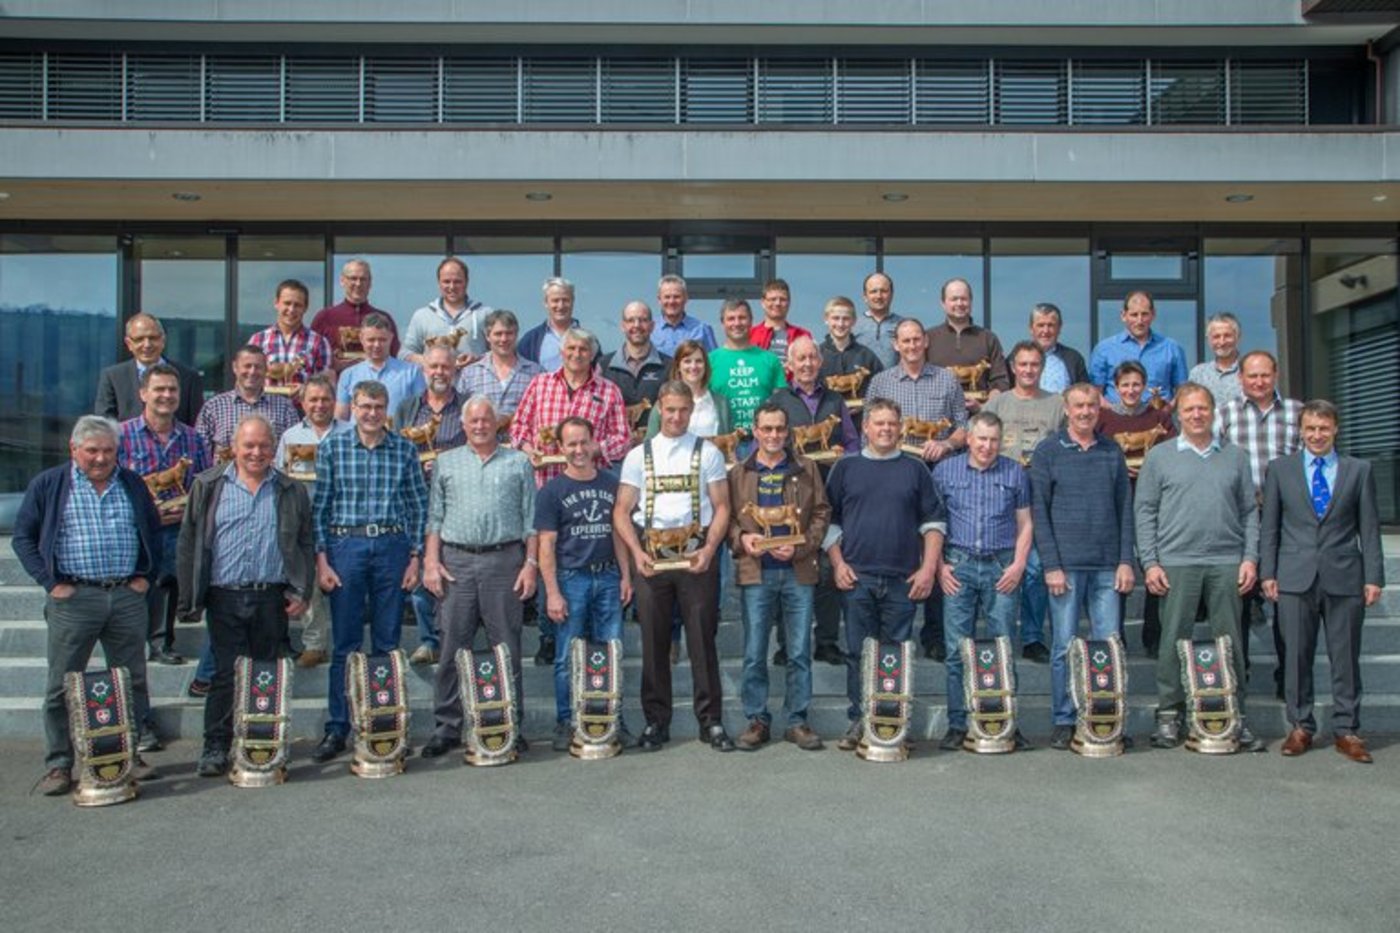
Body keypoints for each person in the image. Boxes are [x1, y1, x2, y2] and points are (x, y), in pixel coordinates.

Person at [13, 415, 163, 796]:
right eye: (92, 450)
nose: (100, 458)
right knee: (62, 684)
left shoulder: (130, 483)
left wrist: (145, 576)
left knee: (132, 680)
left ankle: (129, 756)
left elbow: (153, 530)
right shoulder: (49, 485)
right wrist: (50, 583)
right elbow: (23, 538)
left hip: (125, 596)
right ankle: (60, 765)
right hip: (75, 598)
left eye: (108, 451)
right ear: (74, 449)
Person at [176, 415, 313, 778]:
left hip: (271, 597)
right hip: (224, 596)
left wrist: (301, 590)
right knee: (224, 675)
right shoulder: (208, 486)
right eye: (248, 445)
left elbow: (304, 542)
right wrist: (191, 595)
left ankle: (260, 742)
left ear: (274, 449)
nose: (256, 452)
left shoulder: (290, 490)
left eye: (264, 446)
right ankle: (216, 746)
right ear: (234, 447)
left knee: (264, 674)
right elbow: (189, 543)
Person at [1135, 382, 1264, 752]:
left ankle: (1233, 714)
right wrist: (1150, 562)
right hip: (1177, 562)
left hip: (1226, 562)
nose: (1196, 415)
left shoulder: (1235, 457)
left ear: (1213, 412)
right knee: (1173, 641)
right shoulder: (1159, 456)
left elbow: (1248, 511)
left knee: (1230, 643)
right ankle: (1169, 715)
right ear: (1178, 414)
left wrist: (1250, 558)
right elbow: (1144, 511)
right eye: (1189, 409)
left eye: (1202, 409)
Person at [1260, 400, 1385, 764]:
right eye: (1310, 428)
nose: (1316, 435)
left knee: (1345, 657)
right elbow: (1270, 528)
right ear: (1300, 429)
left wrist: (1374, 576)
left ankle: (1347, 730)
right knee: (1296, 656)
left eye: (1323, 428)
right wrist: (1269, 572)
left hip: (1345, 576)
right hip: (1294, 577)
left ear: (1335, 430)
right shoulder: (1280, 470)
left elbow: (1370, 528)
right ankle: (1301, 726)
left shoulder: (1358, 470)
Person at [613, 381, 735, 752]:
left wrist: (710, 549)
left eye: (684, 409)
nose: (677, 416)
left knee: (702, 640)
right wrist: (636, 554)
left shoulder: (708, 452)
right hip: (652, 556)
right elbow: (621, 510)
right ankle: (656, 722)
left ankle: (710, 721)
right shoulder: (638, 455)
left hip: (696, 554)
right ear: (659, 410)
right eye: (670, 409)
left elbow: (723, 507)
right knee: (653, 642)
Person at [309, 380, 427, 763]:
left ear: (386, 409)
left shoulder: (405, 449)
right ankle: (338, 727)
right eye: (364, 406)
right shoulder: (332, 448)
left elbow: (418, 507)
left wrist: (415, 557)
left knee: (387, 643)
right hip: (347, 547)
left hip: (391, 546)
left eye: (378, 406)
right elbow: (321, 509)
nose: (372, 413)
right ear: (353, 408)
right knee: (345, 644)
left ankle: (384, 724)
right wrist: (322, 560)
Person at [419, 396, 538, 758]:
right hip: (457, 563)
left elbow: (531, 520)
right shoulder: (446, 462)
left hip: (504, 562)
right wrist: (430, 562)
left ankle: (509, 724)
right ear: (464, 425)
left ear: (496, 423)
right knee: (453, 647)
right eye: (473, 421)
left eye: (487, 419)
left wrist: (531, 564)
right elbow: (434, 517)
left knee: (507, 648)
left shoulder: (518, 462)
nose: (481, 425)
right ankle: (447, 726)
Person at [824, 399, 945, 751]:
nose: (886, 429)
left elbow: (934, 523)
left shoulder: (917, 469)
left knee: (896, 655)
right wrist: (838, 563)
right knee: (859, 654)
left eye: (892, 423)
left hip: (902, 580)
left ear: (902, 427)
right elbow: (828, 521)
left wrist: (927, 569)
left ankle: (893, 720)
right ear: (865, 427)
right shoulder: (846, 468)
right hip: (857, 577)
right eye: (879, 423)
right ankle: (860, 719)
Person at [1028, 383, 1136, 751]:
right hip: (1066, 568)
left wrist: (1126, 560)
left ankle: (1107, 717)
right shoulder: (1047, 452)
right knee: (1063, 647)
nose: (1086, 411)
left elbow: (1125, 509)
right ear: (1066, 408)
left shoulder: (1111, 451)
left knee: (1109, 646)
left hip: (1107, 566)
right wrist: (1051, 565)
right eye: (1079, 406)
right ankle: (1064, 718)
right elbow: (1039, 513)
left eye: (1092, 405)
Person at [863, 317, 967, 662]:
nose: (910, 346)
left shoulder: (947, 379)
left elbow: (962, 428)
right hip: (893, 474)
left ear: (925, 342)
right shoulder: (880, 382)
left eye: (916, 340)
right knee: (900, 547)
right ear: (896, 344)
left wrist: (947, 446)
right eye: (904, 341)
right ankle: (891, 631)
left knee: (936, 550)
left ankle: (934, 634)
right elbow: (869, 430)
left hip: (938, 473)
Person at [729, 403, 830, 751]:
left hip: (798, 571)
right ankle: (757, 719)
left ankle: (797, 720)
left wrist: (801, 546)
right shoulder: (738, 472)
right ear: (755, 431)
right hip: (756, 574)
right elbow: (725, 520)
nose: (773, 435)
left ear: (788, 432)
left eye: (779, 429)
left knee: (799, 650)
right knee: (755, 651)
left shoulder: (807, 468)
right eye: (766, 429)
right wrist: (741, 539)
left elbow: (821, 513)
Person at [934, 411, 1033, 751]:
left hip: (1001, 568)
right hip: (957, 567)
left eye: (993, 440)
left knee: (1003, 646)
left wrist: (1019, 564)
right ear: (969, 439)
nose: (987, 446)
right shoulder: (945, 471)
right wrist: (938, 567)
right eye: (981, 439)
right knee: (955, 651)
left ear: (1000, 441)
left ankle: (1005, 720)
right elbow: (934, 523)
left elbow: (1025, 523)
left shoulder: (1014, 472)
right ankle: (958, 723)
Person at [535, 416, 636, 751]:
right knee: (566, 656)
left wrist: (625, 575)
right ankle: (567, 720)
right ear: (560, 448)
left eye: (584, 442)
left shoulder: (612, 484)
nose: (579, 450)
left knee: (611, 651)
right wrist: (551, 592)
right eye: (571, 444)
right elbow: (546, 545)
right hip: (571, 578)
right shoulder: (551, 491)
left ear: (595, 443)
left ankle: (613, 718)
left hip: (607, 575)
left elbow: (619, 534)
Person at [1217, 350, 1303, 696]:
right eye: (1251, 376)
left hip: (1286, 519)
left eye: (1264, 375)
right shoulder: (1225, 415)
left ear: (1276, 374)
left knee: (1284, 600)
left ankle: (1289, 678)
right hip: (1239, 518)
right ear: (1241, 378)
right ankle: (1240, 674)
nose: (1258, 381)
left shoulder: (1297, 413)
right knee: (1239, 599)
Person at [767, 335, 856, 666]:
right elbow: (769, 444)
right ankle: (786, 644)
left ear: (820, 362)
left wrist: (842, 455)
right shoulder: (778, 399)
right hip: (788, 494)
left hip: (830, 494)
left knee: (829, 570)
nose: (806, 364)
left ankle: (827, 642)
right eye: (800, 359)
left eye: (811, 358)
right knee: (784, 567)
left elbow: (852, 444)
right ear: (789, 365)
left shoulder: (836, 400)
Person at [116, 364, 211, 672]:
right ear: (143, 393)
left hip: (176, 529)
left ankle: (161, 643)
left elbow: (203, 484)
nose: (166, 395)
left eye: (172, 390)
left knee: (168, 584)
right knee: (133, 585)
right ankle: (130, 643)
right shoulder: (121, 435)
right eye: (159, 389)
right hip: (133, 529)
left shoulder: (193, 440)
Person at [983, 341, 1066, 663]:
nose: (1029, 370)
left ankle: (1032, 636)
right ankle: (997, 636)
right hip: (999, 499)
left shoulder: (1056, 404)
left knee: (1033, 569)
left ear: (1042, 368)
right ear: (1013, 367)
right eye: (1023, 364)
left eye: (1034, 364)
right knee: (999, 569)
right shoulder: (998, 404)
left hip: (1042, 499)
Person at [395, 343, 469, 666]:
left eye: (445, 367)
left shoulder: (467, 408)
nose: (439, 372)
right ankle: (429, 639)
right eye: (433, 367)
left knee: (455, 570)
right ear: (423, 370)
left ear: (455, 370)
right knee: (421, 568)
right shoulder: (408, 408)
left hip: (459, 500)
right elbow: (396, 451)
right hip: (416, 499)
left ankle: (456, 636)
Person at [1096, 359, 1176, 655]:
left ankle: (1153, 635)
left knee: (1154, 565)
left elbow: (1171, 454)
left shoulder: (1159, 418)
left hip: (1154, 502)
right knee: (1120, 566)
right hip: (1114, 500)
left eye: (1136, 385)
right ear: (1115, 388)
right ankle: (1117, 635)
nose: (1131, 390)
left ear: (1145, 387)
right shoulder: (1103, 419)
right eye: (1125, 385)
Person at [273, 373, 350, 668]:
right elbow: (280, 477)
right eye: (313, 399)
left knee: (344, 582)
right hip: (304, 519)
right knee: (309, 582)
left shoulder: (350, 431)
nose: (319, 405)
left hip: (343, 518)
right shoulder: (290, 436)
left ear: (334, 402)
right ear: (302, 403)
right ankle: (315, 643)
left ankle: (345, 642)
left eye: (325, 399)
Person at [511, 327, 631, 486]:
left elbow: (623, 439)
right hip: (544, 481)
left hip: (589, 484)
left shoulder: (609, 391)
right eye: (571, 348)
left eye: (583, 349)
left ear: (592, 355)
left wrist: (595, 449)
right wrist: (529, 450)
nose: (576, 354)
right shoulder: (540, 384)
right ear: (561, 352)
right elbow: (518, 426)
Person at [95, 312, 204, 428]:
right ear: (129, 343)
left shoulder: (189, 377)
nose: (147, 344)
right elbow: (104, 426)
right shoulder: (113, 377)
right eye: (139, 339)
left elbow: (196, 424)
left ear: (163, 340)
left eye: (153, 338)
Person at [195, 344, 299, 461]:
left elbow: (294, 453)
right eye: (247, 366)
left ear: (266, 370)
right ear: (235, 367)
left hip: (271, 478)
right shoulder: (213, 407)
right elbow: (200, 453)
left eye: (258, 367)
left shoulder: (285, 408)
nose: (252, 371)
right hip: (224, 477)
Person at [1088, 290, 1189, 407]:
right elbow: (1095, 392)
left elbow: (1182, 390)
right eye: (1134, 315)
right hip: (1117, 421)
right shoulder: (1104, 349)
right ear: (1123, 316)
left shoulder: (1172, 348)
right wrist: (1113, 413)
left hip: (1159, 420)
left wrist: (1167, 411)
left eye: (1144, 314)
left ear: (1153, 314)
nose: (1139, 320)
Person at [925, 277, 1009, 409]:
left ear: (971, 301)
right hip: (937, 418)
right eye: (954, 299)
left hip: (978, 421)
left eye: (964, 299)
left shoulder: (988, 338)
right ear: (943, 303)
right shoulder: (928, 338)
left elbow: (1000, 381)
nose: (959, 303)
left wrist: (984, 407)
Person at [708, 298, 787, 434]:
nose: (737, 323)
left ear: (751, 321)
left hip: (763, 441)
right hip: (724, 440)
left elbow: (783, 401)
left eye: (742, 318)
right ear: (723, 323)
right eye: (731, 319)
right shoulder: (709, 361)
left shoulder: (769, 359)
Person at [311, 259, 400, 373]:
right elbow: (312, 359)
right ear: (342, 281)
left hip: (376, 385)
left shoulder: (384, 319)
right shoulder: (324, 318)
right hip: (336, 386)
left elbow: (393, 356)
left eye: (363, 279)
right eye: (353, 278)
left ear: (370, 283)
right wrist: (332, 363)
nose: (358, 284)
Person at [247, 279, 333, 396]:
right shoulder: (257, 340)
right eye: (287, 303)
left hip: (301, 411)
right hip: (265, 410)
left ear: (305, 308)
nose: (291, 310)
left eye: (297, 305)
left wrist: (305, 389)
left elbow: (325, 385)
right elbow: (247, 378)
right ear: (276, 303)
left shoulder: (319, 342)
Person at [400, 256, 490, 369]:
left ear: (466, 282)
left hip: (474, 384)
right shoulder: (422, 316)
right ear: (439, 283)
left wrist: (477, 359)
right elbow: (404, 354)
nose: (452, 287)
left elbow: (500, 353)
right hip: (435, 384)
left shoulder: (484, 314)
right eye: (446, 281)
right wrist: (429, 360)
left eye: (457, 282)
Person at [455, 308, 545, 421]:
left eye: (509, 333)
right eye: (498, 334)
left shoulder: (536, 373)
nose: (504, 339)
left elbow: (542, 413)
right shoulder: (470, 373)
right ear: (487, 336)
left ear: (516, 335)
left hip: (520, 438)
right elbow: (459, 414)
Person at [334, 313, 425, 422]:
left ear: (391, 338)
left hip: (397, 438)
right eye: (371, 340)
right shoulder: (348, 375)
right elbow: (341, 417)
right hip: (357, 438)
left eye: (382, 340)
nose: (377, 345)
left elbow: (422, 412)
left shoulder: (412, 372)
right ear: (361, 339)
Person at [601, 300, 670, 437]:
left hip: (657, 449)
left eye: (643, 320)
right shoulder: (603, 366)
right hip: (613, 451)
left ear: (652, 326)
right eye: (631, 320)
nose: (637, 325)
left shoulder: (669, 366)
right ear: (623, 326)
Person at [643, 339, 732, 440]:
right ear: (678, 367)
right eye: (687, 361)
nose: (693, 366)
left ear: (705, 365)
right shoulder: (664, 403)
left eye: (699, 361)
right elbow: (649, 444)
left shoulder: (721, 403)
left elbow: (728, 444)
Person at [817, 295, 884, 395]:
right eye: (835, 318)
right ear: (826, 319)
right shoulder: (815, 355)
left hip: (861, 411)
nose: (840, 324)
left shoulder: (867, 356)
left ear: (854, 321)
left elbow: (882, 389)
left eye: (846, 319)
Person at [518, 277, 578, 371]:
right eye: (555, 300)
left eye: (565, 300)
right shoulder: (530, 340)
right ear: (546, 303)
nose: (560, 306)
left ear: (573, 301)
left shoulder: (588, 340)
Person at [1027, 302, 1089, 394]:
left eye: (1051, 325)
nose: (1046, 331)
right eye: (1041, 325)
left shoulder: (1074, 359)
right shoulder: (1017, 358)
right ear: (1031, 329)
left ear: (1059, 328)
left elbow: (1084, 393)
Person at [748, 278, 813, 365]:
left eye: (782, 299)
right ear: (763, 302)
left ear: (789, 303)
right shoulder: (749, 335)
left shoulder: (802, 335)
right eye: (772, 299)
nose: (777, 303)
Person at [652, 274, 717, 355]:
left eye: (676, 297)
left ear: (686, 298)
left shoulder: (701, 329)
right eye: (667, 297)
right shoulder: (650, 330)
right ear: (659, 300)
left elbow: (713, 362)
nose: (672, 301)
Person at [1188, 312, 1244, 407]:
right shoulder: (1198, 374)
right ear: (1208, 340)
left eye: (1227, 336)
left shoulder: (1251, 372)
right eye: (1216, 337)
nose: (1222, 342)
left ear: (1237, 337)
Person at [852, 272, 903, 370]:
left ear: (891, 294)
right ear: (865, 297)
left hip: (893, 384)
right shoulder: (852, 324)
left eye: (883, 291)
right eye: (873, 291)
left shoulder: (903, 325)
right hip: (861, 384)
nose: (879, 296)